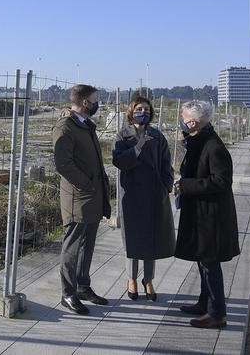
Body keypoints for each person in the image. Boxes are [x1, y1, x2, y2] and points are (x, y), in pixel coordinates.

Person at [174, 100, 240, 329]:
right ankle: (204, 303)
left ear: (192, 122)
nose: (181, 121)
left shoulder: (213, 146)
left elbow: (221, 181)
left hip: (211, 215)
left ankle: (217, 313)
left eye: (183, 117)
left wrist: (187, 185)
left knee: (210, 264)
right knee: (203, 261)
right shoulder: (199, 140)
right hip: (202, 212)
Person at [52, 84, 112, 314]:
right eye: (96, 99)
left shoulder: (84, 125)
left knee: (88, 245)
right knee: (72, 247)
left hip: (93, 196)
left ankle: (82, 287)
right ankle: (68, 293)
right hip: (78, 197)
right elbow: (63, 164)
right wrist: (86, 183)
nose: (98, 103)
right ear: (86, 102)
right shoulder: (66, 126)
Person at [112, 95, 175, 302]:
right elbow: (119, 161)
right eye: (139, 108)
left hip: (154, 195)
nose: (143, 112)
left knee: (151, 239)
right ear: (131, 111)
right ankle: (131, 279)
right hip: (131, 196)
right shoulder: (123, 136)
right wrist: (137, 148)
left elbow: (167, 163)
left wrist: (166, 185)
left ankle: (148, 280)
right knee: (132, 240)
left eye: (147, 109)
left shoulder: (157, 135)